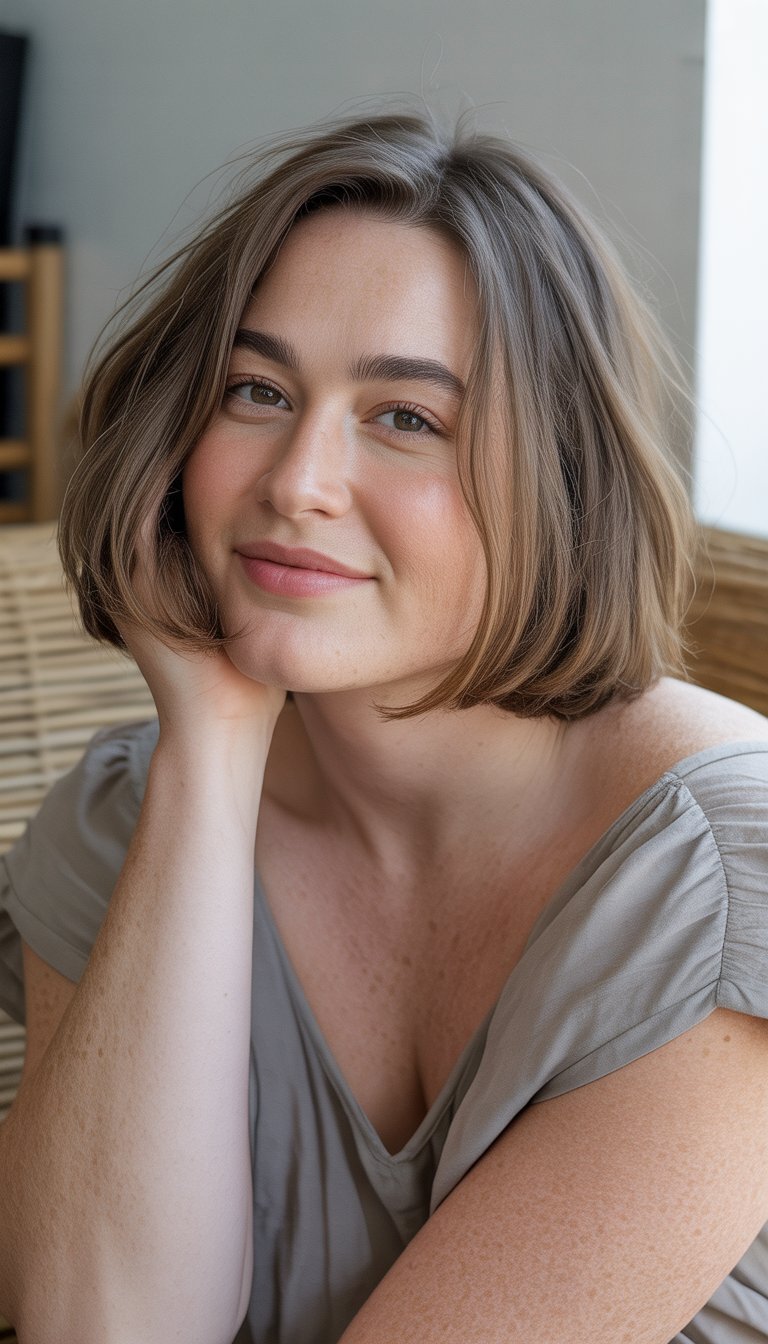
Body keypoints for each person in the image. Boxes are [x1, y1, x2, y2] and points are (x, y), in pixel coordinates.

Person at [1, 108, 768, 1344]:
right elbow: (103, 1324)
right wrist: (209, 748)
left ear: (562, 482)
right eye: (256, 390)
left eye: (406, 417)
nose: (296, 480)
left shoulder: (725, 879)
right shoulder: (125, 825)